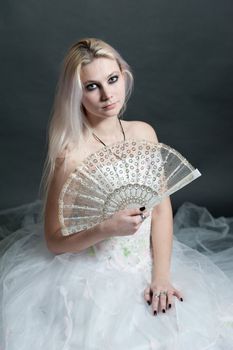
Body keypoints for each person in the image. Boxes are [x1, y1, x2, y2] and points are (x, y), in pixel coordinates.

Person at [0, 37, 233, 350]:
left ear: (125, 75)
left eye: (112, 79)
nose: (107, 95)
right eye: (92, 86)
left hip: (150, 262)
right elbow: (54, 242)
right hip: (91, 274)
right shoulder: (71, 155)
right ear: (76, 93)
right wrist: (104, 229)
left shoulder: (144, 133)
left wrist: (161, 276)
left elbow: (161, 209)